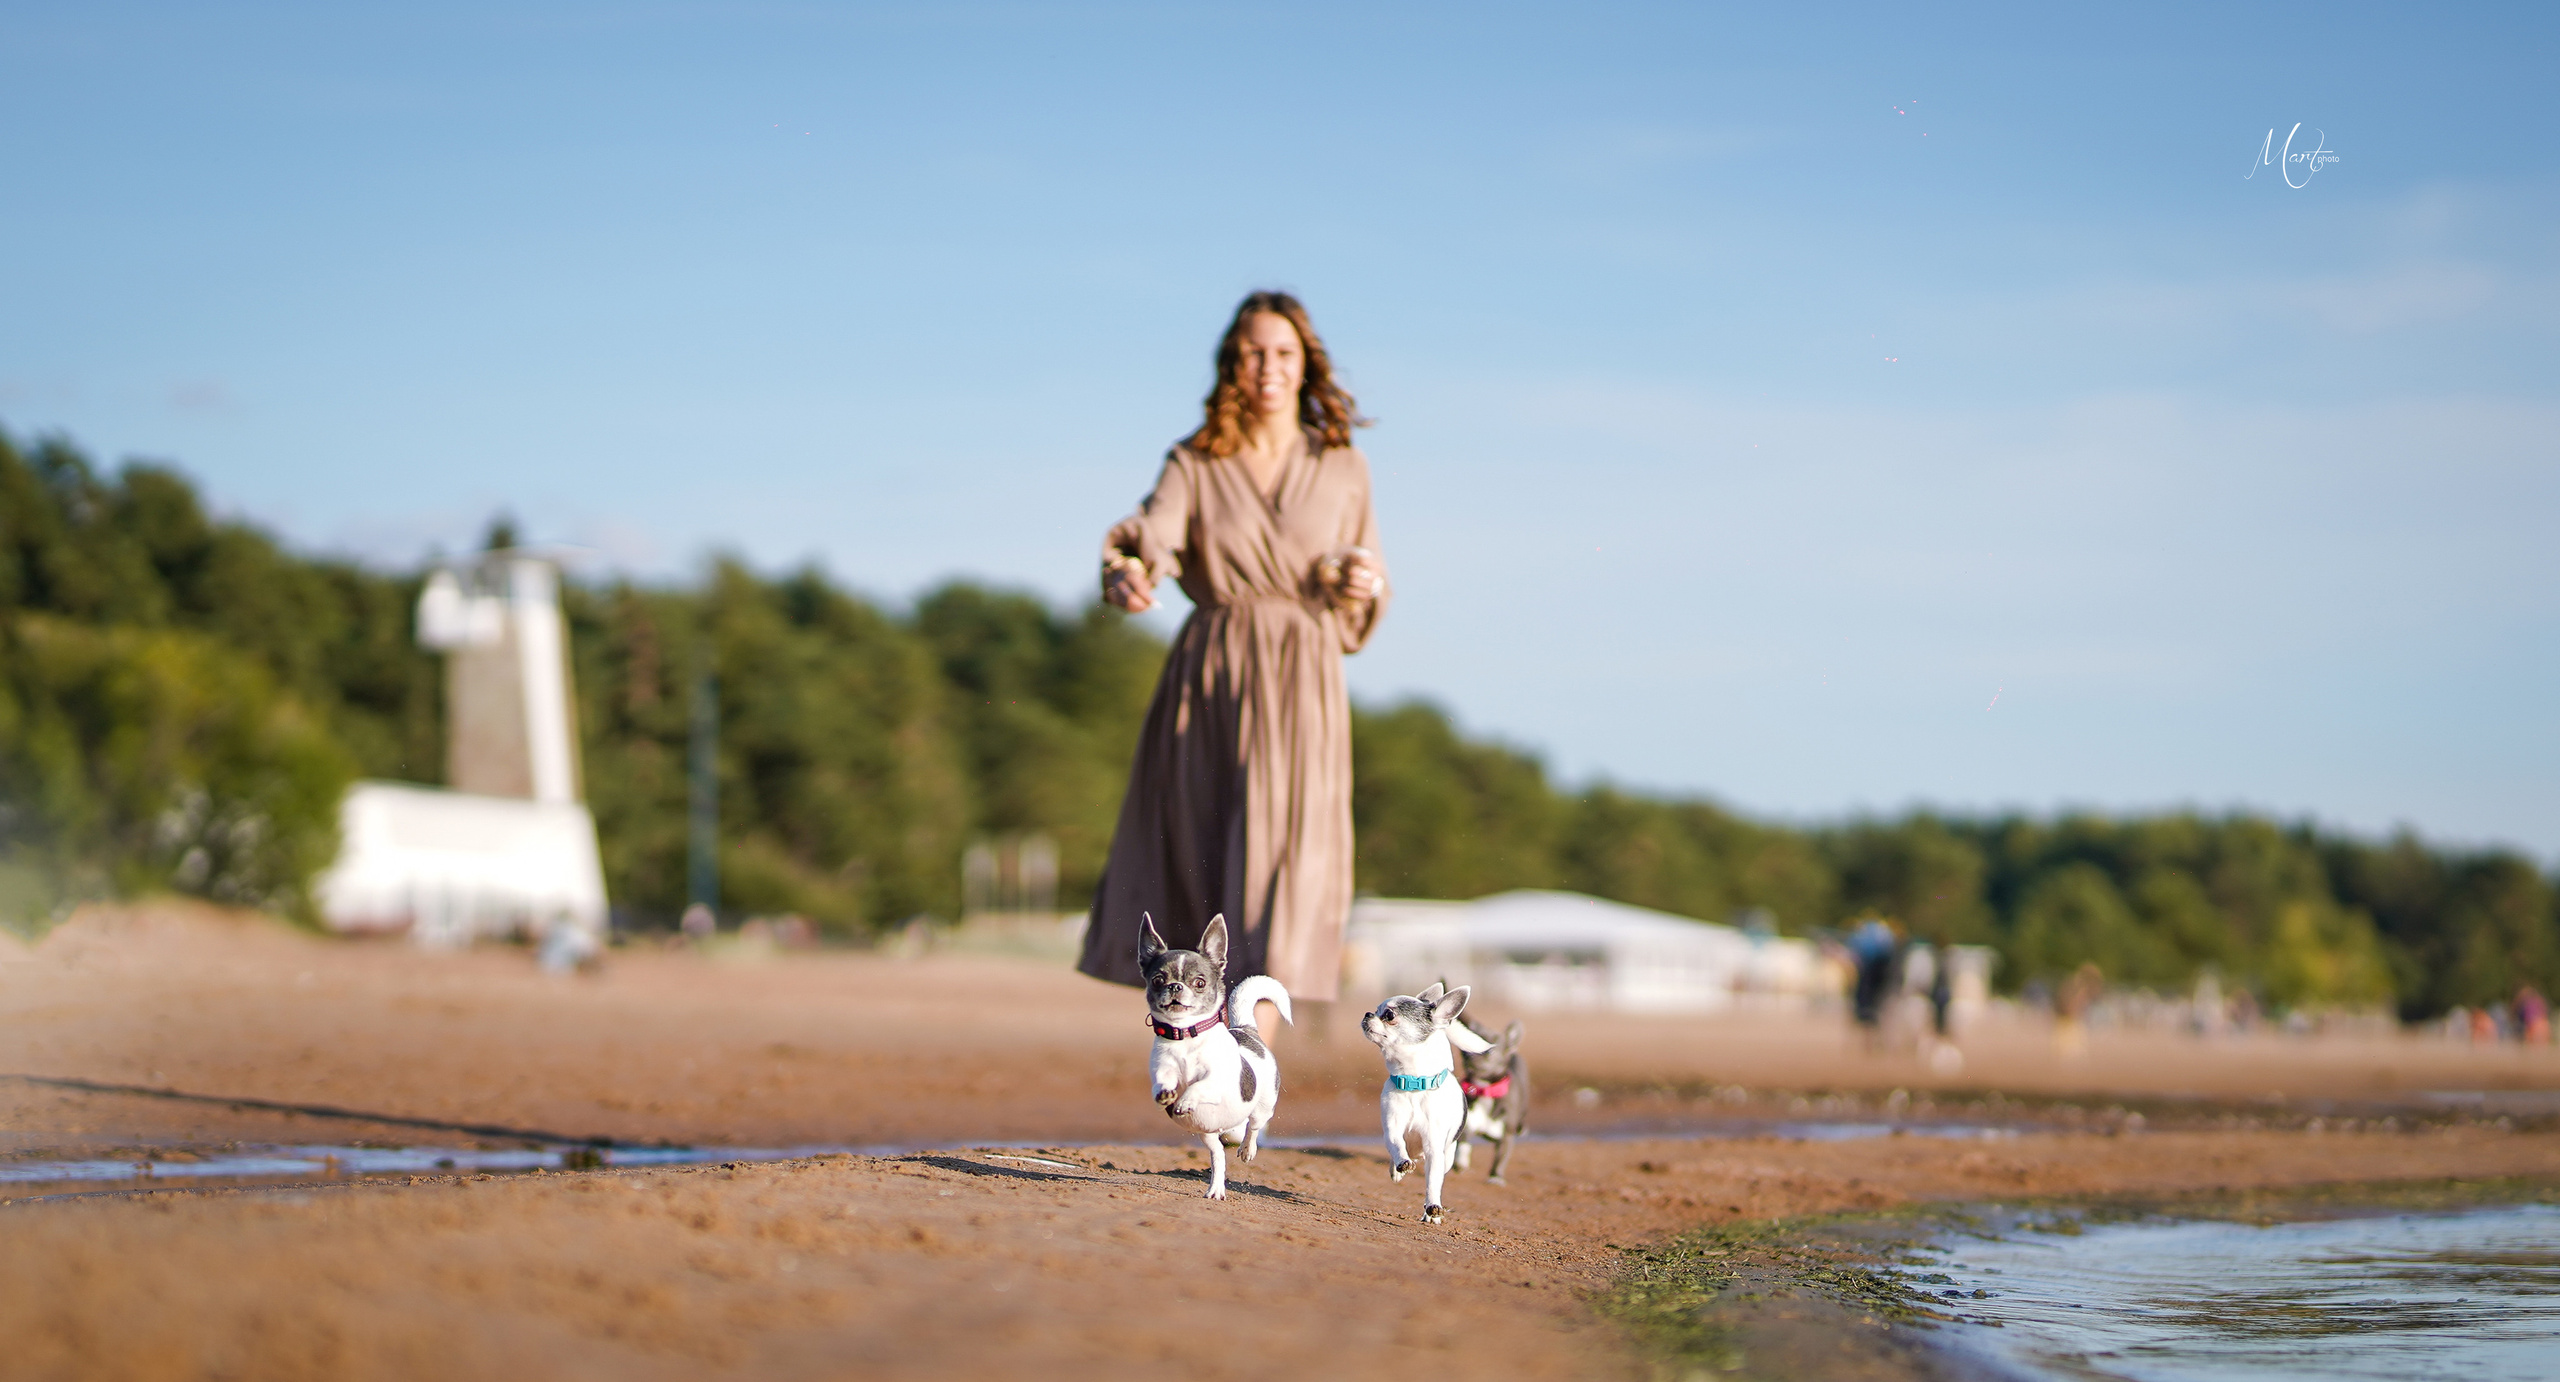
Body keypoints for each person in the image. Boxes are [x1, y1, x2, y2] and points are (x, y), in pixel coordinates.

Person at [1075, 291, 1388, 1006]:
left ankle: (1251, 1086)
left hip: (1304, 676)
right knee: (1201, 866)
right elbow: (1152, 533)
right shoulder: (1195, 459)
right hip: (1211, 677)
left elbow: (1368, 579)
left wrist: (1357, 582)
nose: (1268, 367)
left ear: (1306, 364)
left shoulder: (1345, 465)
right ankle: (1198, 1063)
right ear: (1229, 365)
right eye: (1252, 353)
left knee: (1287, 876)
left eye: (1283, 353)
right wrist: (1126, 568)